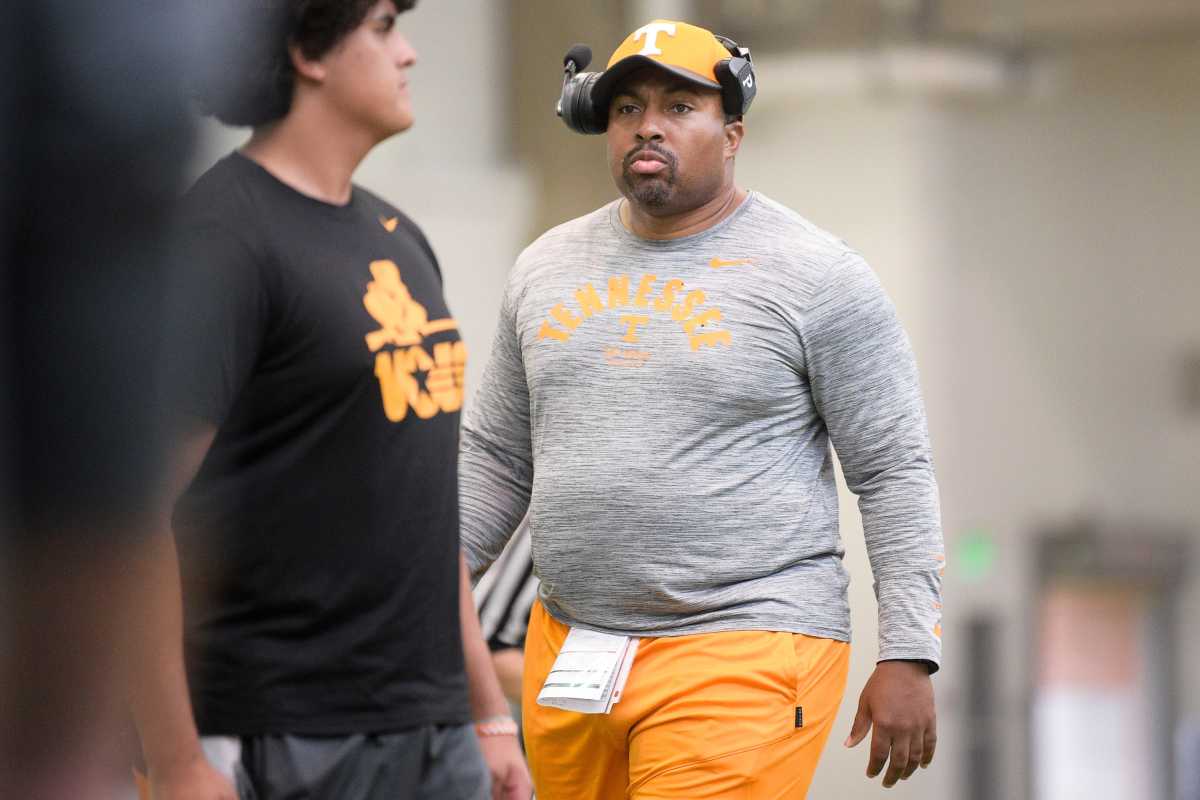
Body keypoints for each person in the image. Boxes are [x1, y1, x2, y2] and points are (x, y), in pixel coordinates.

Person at [459, 19, 943, 799]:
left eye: (681, 105)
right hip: (575, 645)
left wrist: (909, 649)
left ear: (734, 132)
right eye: (626, 108)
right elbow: (496, 455)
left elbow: (892, 471)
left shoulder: (817, 276)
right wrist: (427, 584)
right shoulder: (544, 267)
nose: (648, 124)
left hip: (745, 640)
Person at [129, 2, 531, 798]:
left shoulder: (400, 238)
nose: (409, 53)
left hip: (433, 728)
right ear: (308, 51)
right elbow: (134, 515)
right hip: (281, 727)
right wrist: (176, 758)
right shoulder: (220, 241)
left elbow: (425, 507)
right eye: (383, 27)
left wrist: (484, 712)